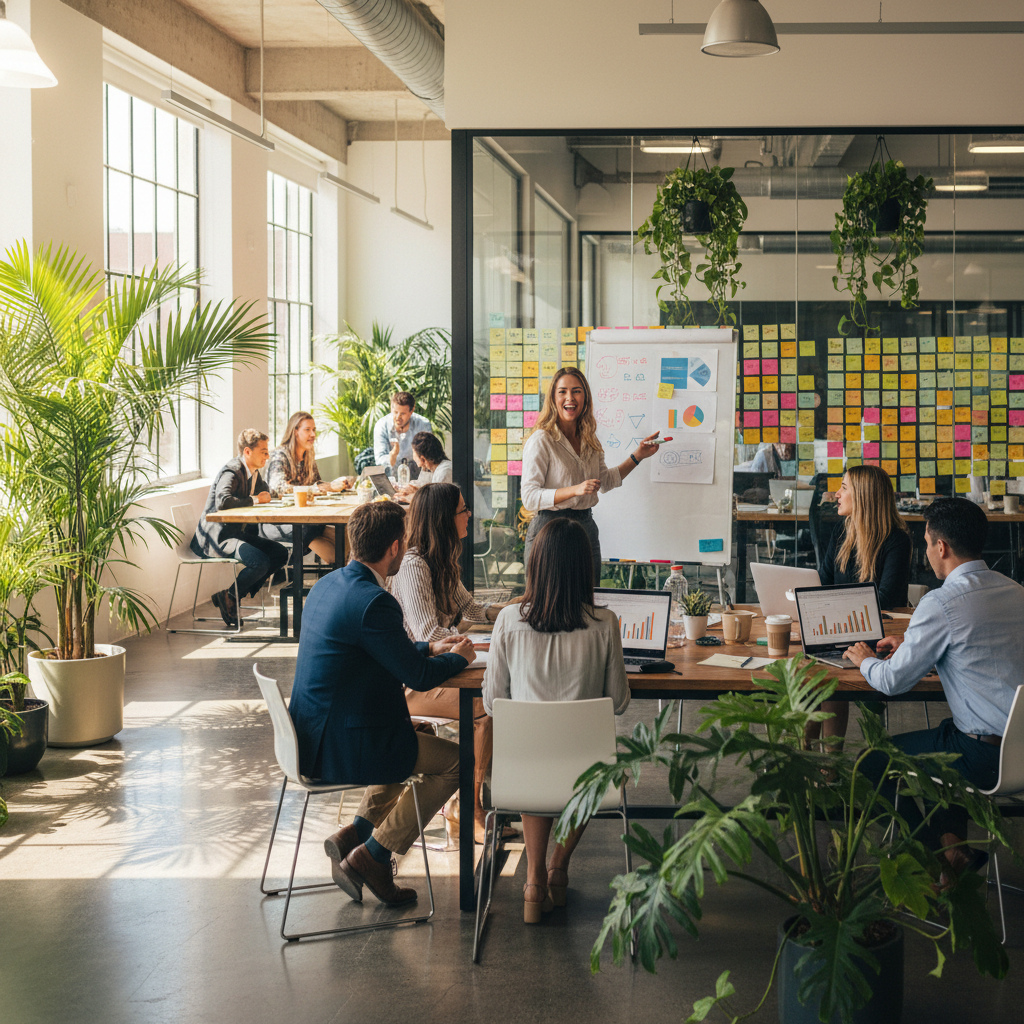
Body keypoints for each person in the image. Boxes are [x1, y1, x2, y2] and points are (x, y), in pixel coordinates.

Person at [287, 501, 476, 906]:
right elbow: (418, 678)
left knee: (412, 739)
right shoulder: (376, 601)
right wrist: (460, 657)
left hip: (313, 735)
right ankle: (375, 854)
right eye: (403, 541)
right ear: (394, 547)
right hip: (344, 745)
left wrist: (427, 646)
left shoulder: (329, 584)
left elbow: (378, 651)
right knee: (461, 762)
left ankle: (354, 834)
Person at [846, 498, 1024, 880]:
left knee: (869, 763)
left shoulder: (941, 601)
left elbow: (892, 683)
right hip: (1017, 746)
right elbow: (986, 654)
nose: (926, 551)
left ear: (940, 547)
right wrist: (912, 645)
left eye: (927, 543)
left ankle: (937, 854)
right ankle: (952, 849)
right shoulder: (1015, 591)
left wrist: (864, 659)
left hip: (986, 755)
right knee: (945, 737)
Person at [483, 517, 630, 923]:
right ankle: (558, 868)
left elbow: (494, 701)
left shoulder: (509, 621)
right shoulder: (606, 625)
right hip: (587, 772)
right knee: (584, 766)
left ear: (535, 564)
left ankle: (533, 882)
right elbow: (618, 702)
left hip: (522, 772)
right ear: (587, 568)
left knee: (536, 758)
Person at [387, 482, 509, 842]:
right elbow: (430, 634)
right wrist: (478, 646)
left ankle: (474, 801)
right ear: (443, 519)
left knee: (497, 697)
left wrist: (513, 608)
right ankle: (467, 808)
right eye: (462, 509)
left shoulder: (441, 560)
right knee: (488, 707)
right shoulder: (414, 566)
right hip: (412, 683)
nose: (469, 514)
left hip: (437, 673)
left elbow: (471, 609)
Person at [520, 367, 660, 585]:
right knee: (546, 605)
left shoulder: (589, 438)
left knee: (587, 603)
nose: (570, 398)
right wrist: (574, 490)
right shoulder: (542, 440)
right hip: (550, 531)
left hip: (585, 527)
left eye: (576, 391)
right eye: (562, 391)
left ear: (585, 398)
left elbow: (605, 481)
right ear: (553, 398)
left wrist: (638, 455)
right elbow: (529, 497)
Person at [809, 464, 913, 745]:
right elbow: (824, 581)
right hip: (837, 629)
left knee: (828, 680)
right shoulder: (842, 533)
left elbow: (887, 598)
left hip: (878, 637)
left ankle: (829, 766)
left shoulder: (896, 540)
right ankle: (805, 756)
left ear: (864, 496)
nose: (836, 494)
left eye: (844, 488)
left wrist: (831, 607)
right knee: (807, 676)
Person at [191, 428, 289, 627]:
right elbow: (223, 501)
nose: (267, 456)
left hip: (236, 533)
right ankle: (231, 597)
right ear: (247, 452)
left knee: (279, 553)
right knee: (260, 562)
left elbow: (266, 492)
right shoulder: (232, 470)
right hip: (217, 537)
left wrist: (274, 495)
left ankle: (232, 595)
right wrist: (255, 499)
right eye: (263, 451)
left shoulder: (253, 473)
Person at [261, 412, 353, 565]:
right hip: (280, 522)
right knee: (337, 553)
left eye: (314, 430)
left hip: (308, 521)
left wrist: (335, 486)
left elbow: (316, 484)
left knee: (349, 536)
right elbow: (280, 489)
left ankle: (342, 573)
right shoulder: (280, 456)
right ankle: (336, 573)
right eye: (307, 430)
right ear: (295, 431)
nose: (313, 434)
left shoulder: (308, 456)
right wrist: (320, 488)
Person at [373, 391, 432, 476]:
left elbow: (429, 457)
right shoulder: (381, 425)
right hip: (391, 478)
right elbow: (380, 460)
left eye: (402, 414)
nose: (398, 417)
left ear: (412, 411)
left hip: (418, 479)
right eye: (395, 412)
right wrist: (392, 456)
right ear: (391, 407)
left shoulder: (423, 424)